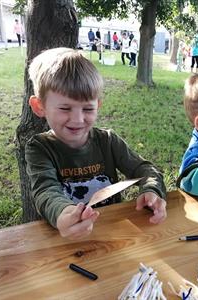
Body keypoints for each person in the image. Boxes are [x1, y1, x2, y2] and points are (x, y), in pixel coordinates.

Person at [25, 48, 167, 239]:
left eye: (88, 108)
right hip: (67, 239)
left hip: (113, 235)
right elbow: (45, 190)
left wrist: (151, 190)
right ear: (39, 106)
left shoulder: (108, 141)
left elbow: (146, 169)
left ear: (98, 105)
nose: (77, 119)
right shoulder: (40, 148)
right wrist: (63, 212)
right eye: (65, 108)